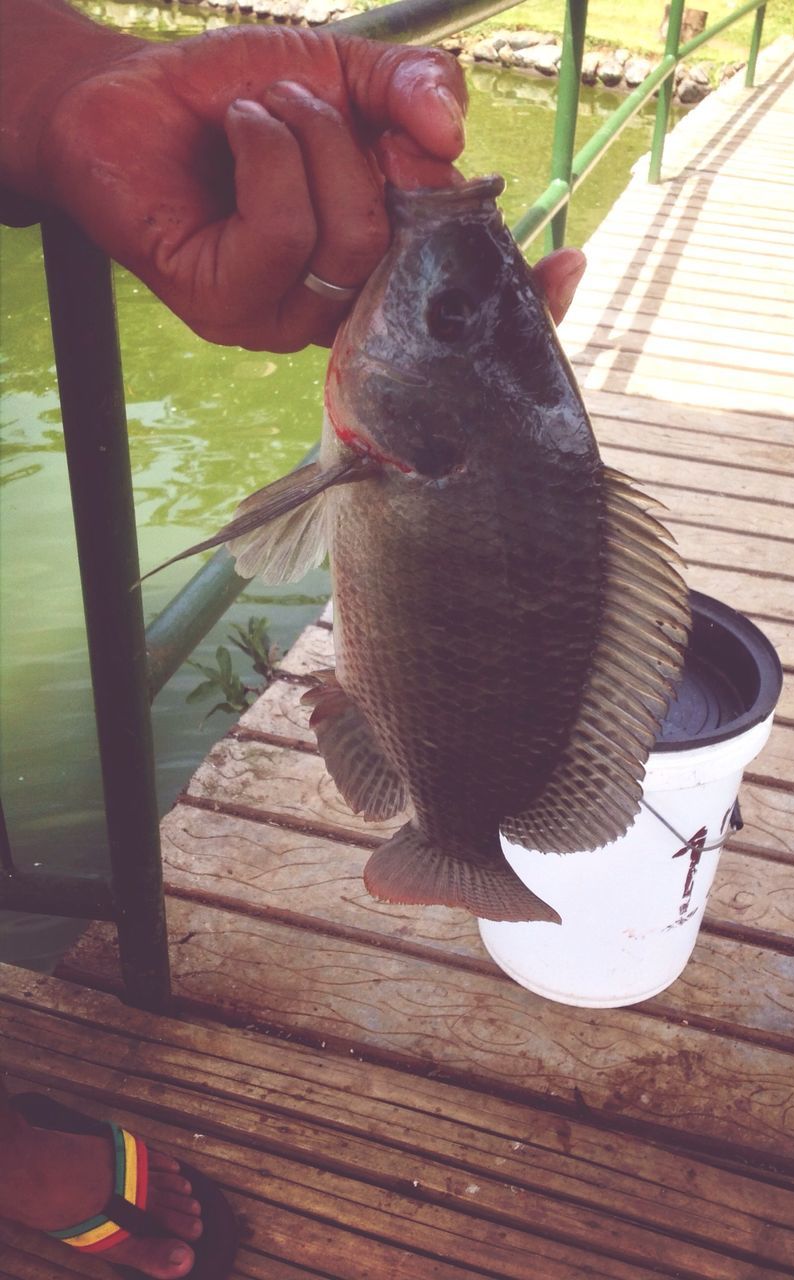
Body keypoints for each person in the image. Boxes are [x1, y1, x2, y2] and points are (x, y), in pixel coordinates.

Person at [0, 1, 586, 1275]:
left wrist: (72, 105)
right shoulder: (417, 444)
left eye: (458, 326)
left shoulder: (405, 442)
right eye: (456, 323)